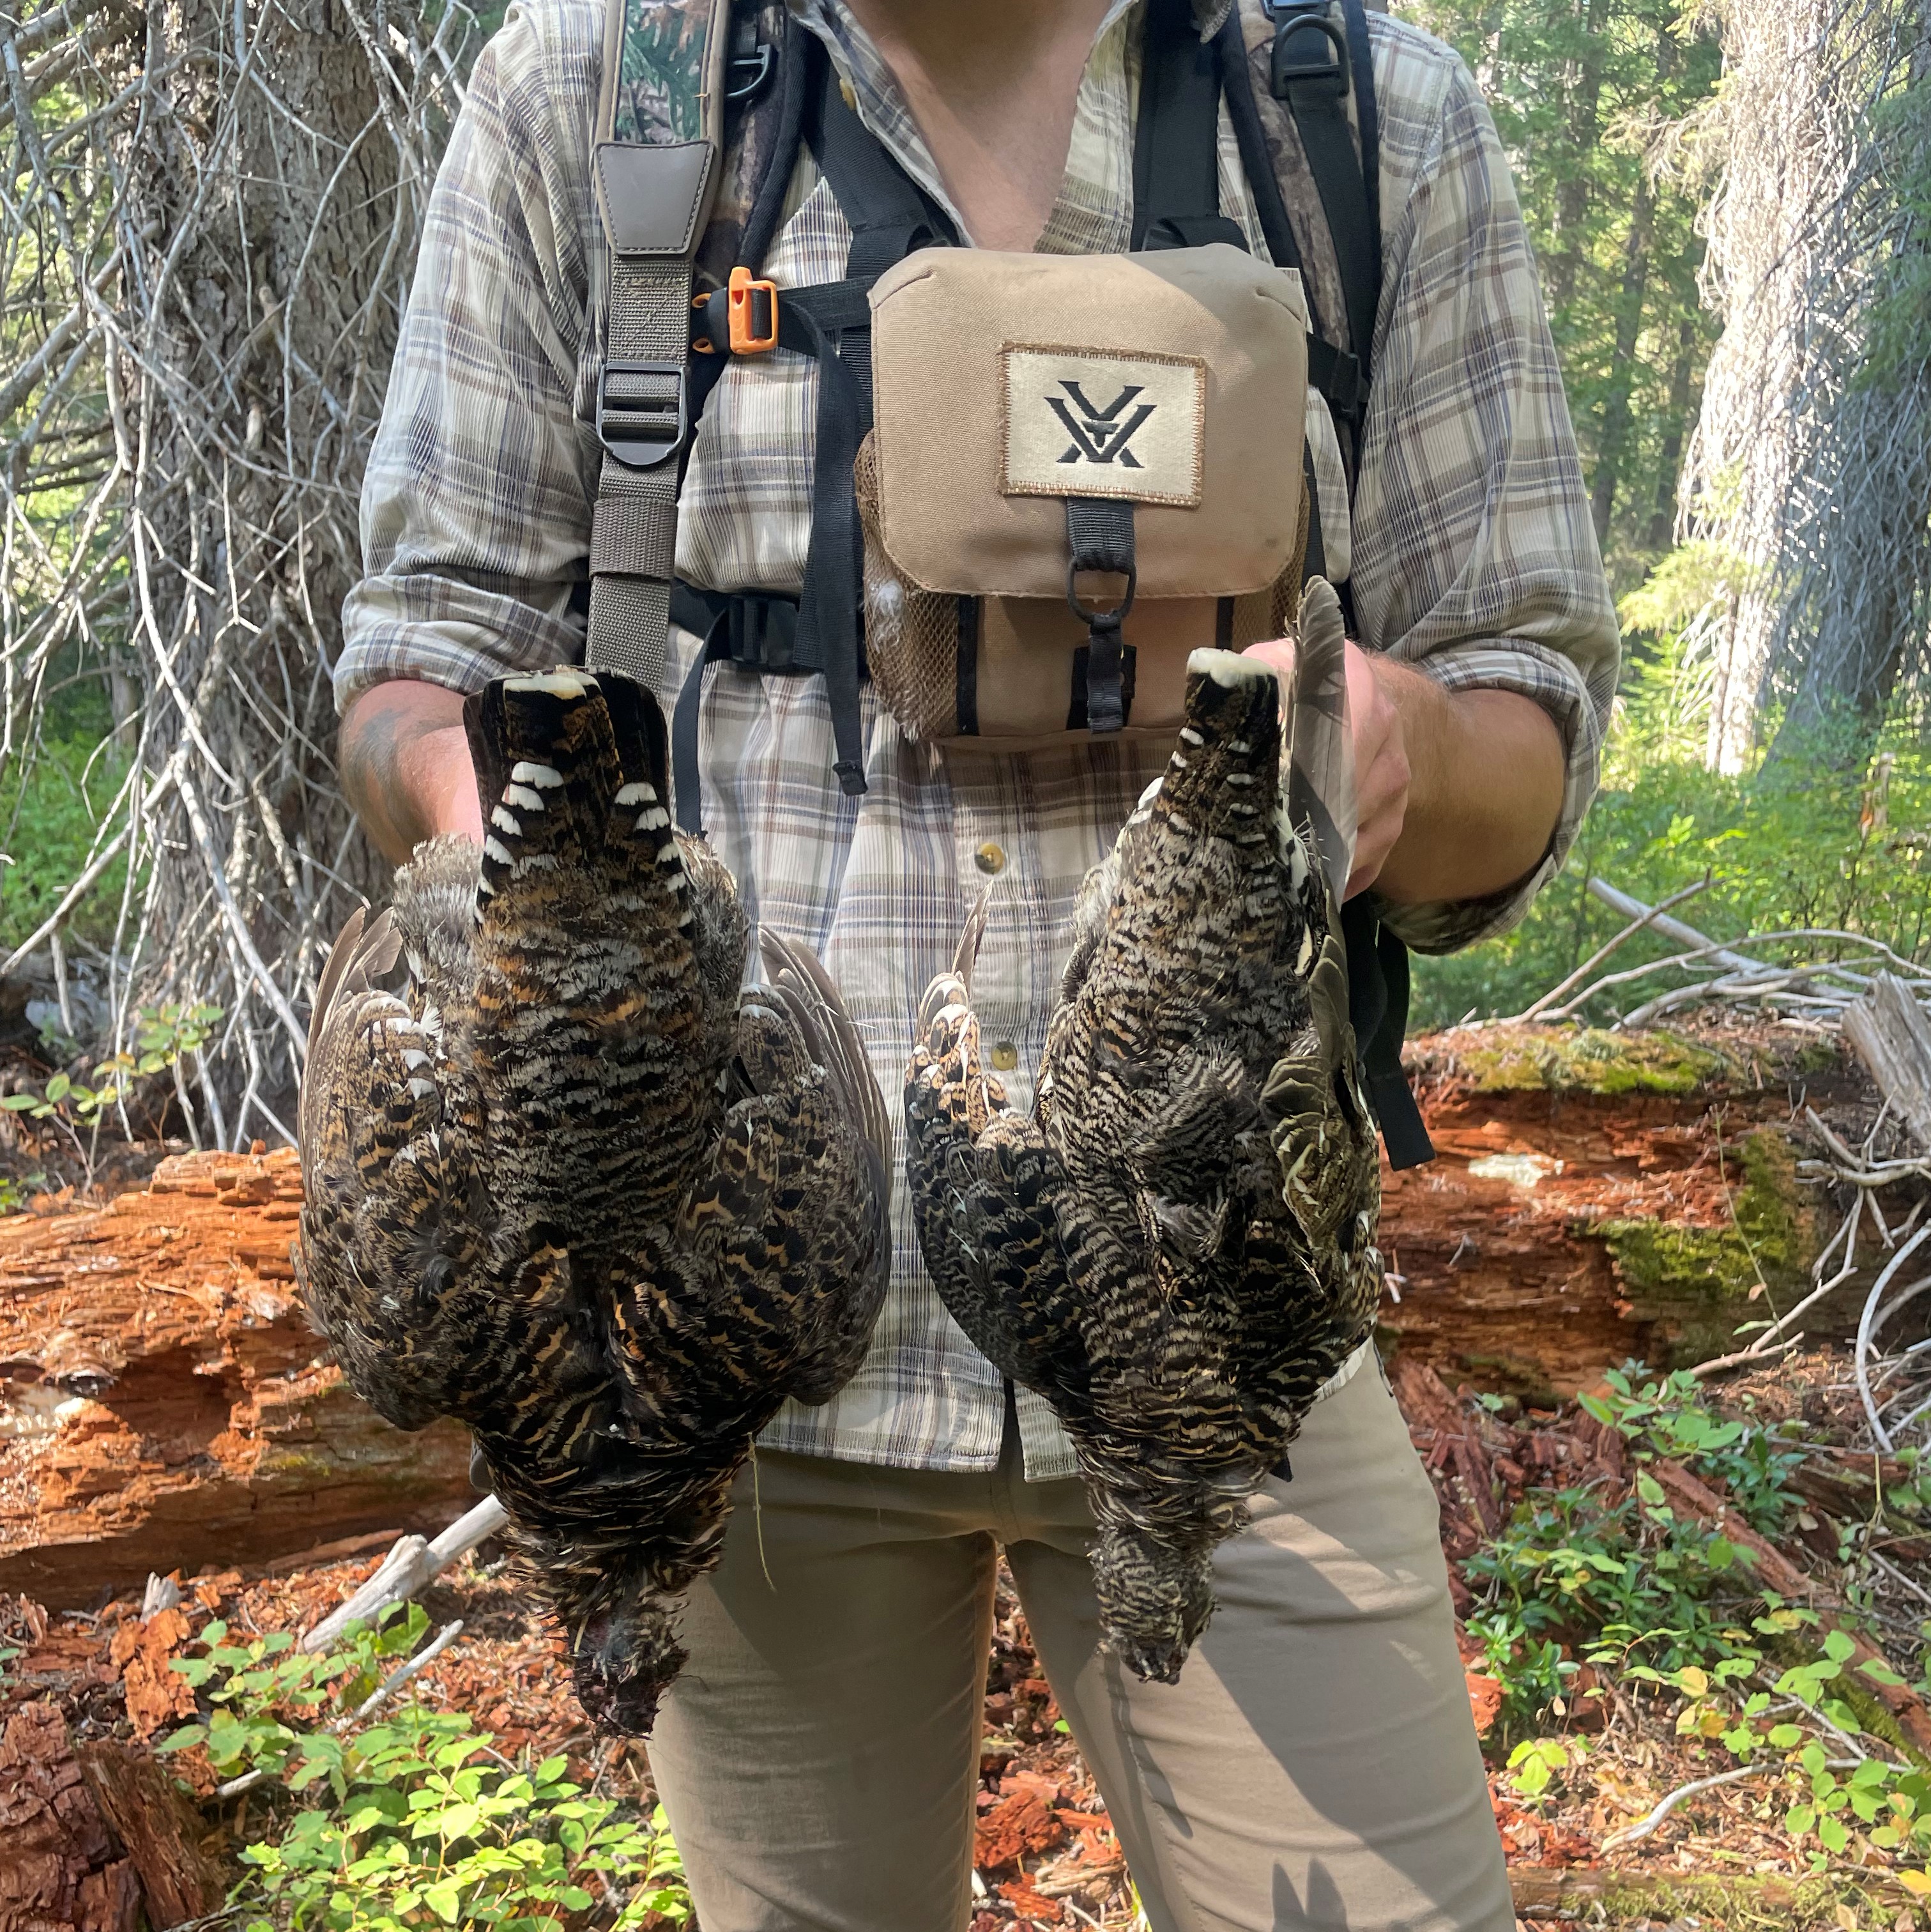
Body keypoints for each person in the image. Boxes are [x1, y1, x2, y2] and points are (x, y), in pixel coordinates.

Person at [335, 0, 1619, 1924]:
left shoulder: (1354, 114)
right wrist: (535, 878)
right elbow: (409, 666)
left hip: (1224, 1320)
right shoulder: (607, 91)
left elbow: (1531, 716)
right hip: (726, 1348)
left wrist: (1402, 746)